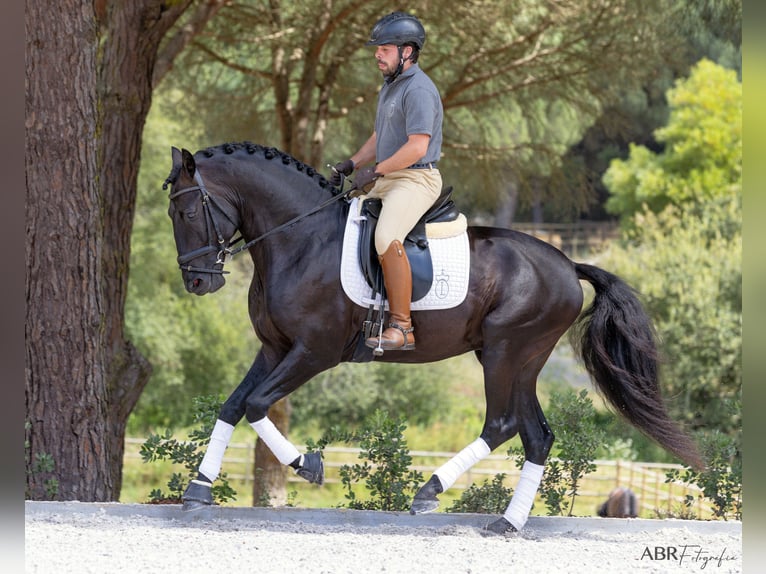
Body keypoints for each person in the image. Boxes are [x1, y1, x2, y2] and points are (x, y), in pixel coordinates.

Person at [330, 11, 443, 352]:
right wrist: (353, 162)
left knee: (385, 236)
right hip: (390, 175)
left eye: (385, 49)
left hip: (416, 178)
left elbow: (417, 146)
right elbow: (382, 136)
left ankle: (402, 326)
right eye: (377, 49)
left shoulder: (420, 89)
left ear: (407, 51)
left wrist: (377, 171)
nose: (377, 54)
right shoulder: (391, 87)